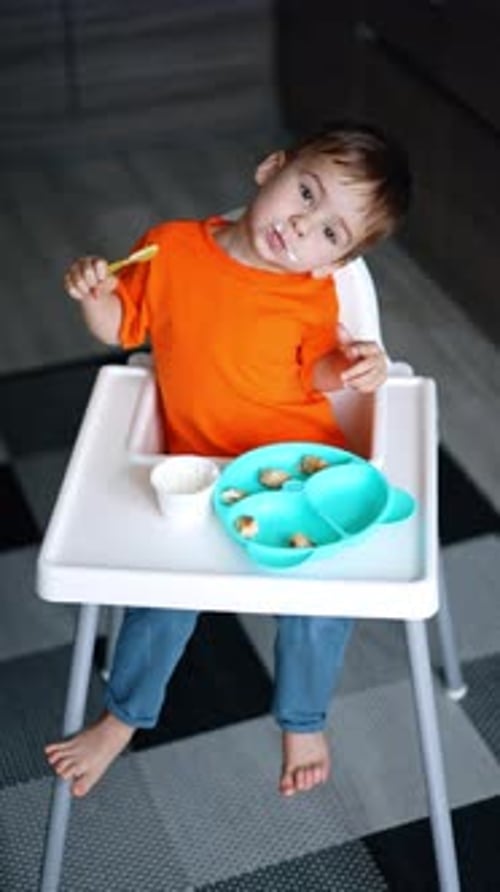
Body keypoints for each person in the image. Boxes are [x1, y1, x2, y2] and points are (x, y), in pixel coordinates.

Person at [45, 122, 411, 799]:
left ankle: (301, 717)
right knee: (158, 595)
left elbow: (315, 373)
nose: (301, 227)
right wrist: (97, 297)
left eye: (329, 232)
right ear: (271, 168)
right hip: (196, 468)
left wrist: (357, 367)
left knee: (318, 597)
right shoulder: (173, 246)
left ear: (335, 262)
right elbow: (124, 328)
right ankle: (123, 716)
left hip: (296, 471)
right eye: (305, 192)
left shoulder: (312, 294)